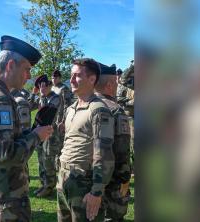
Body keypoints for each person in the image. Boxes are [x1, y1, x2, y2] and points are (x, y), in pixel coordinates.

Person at [0, 35, 53, 222]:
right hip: (6, 201)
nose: (30, 76)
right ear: (10, 66)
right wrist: (36, 136)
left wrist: (28, 133)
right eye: (27, 69)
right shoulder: (0, 100)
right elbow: (5, 156)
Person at [57, 58, 115, 222]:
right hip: (64, 179)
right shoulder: (71, 108)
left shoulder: (99, 110)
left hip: (83, 183)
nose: (71, 79)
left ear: (91, 79)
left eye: (77, 75)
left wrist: (96, 192)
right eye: (71, 75)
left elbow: (103, 154)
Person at [96, 63, 132, 221]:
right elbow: (122, 150)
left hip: (89, 178)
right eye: (116, 84)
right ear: (110, 84)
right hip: (111, 179)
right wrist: (124, 179)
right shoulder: (116, 110)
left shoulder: (85, 105)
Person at [30, 74, 64, 197]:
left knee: (48, 160)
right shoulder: (41, 97)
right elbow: (29, 106)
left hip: (51, 135)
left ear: (50, 86)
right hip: (40, 133)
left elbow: (45, 114)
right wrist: (34, 94)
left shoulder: (55, 98)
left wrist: (40, 97)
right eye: (40, 86)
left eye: (44, 86)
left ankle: (49, 186)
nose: (42, 89)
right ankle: (43, 184)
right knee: (40, 159)